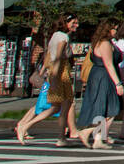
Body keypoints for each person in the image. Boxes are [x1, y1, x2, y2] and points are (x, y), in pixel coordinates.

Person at [16, 13, 81, 146]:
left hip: (57, 74)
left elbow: (49, 57)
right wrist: (55, 79)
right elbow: (57, 58)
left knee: (59, 107)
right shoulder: (63, 37)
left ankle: (61, 137)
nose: (76, 25)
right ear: (66, 23)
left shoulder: (55, 36)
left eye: (77, 23)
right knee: (63, 106)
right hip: (61, 75)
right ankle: (26, 126)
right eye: (73, 22)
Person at [78, 19, 124, 149]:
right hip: (103, 77)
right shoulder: (104, 43)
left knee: (105, 108)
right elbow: (109, 64)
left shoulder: (103, 42)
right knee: (107, 107)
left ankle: (97, 139)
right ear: (108, 29)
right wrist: (118, 83)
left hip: (100, 75)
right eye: (114, 28)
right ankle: (88, 133)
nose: (116, 31)